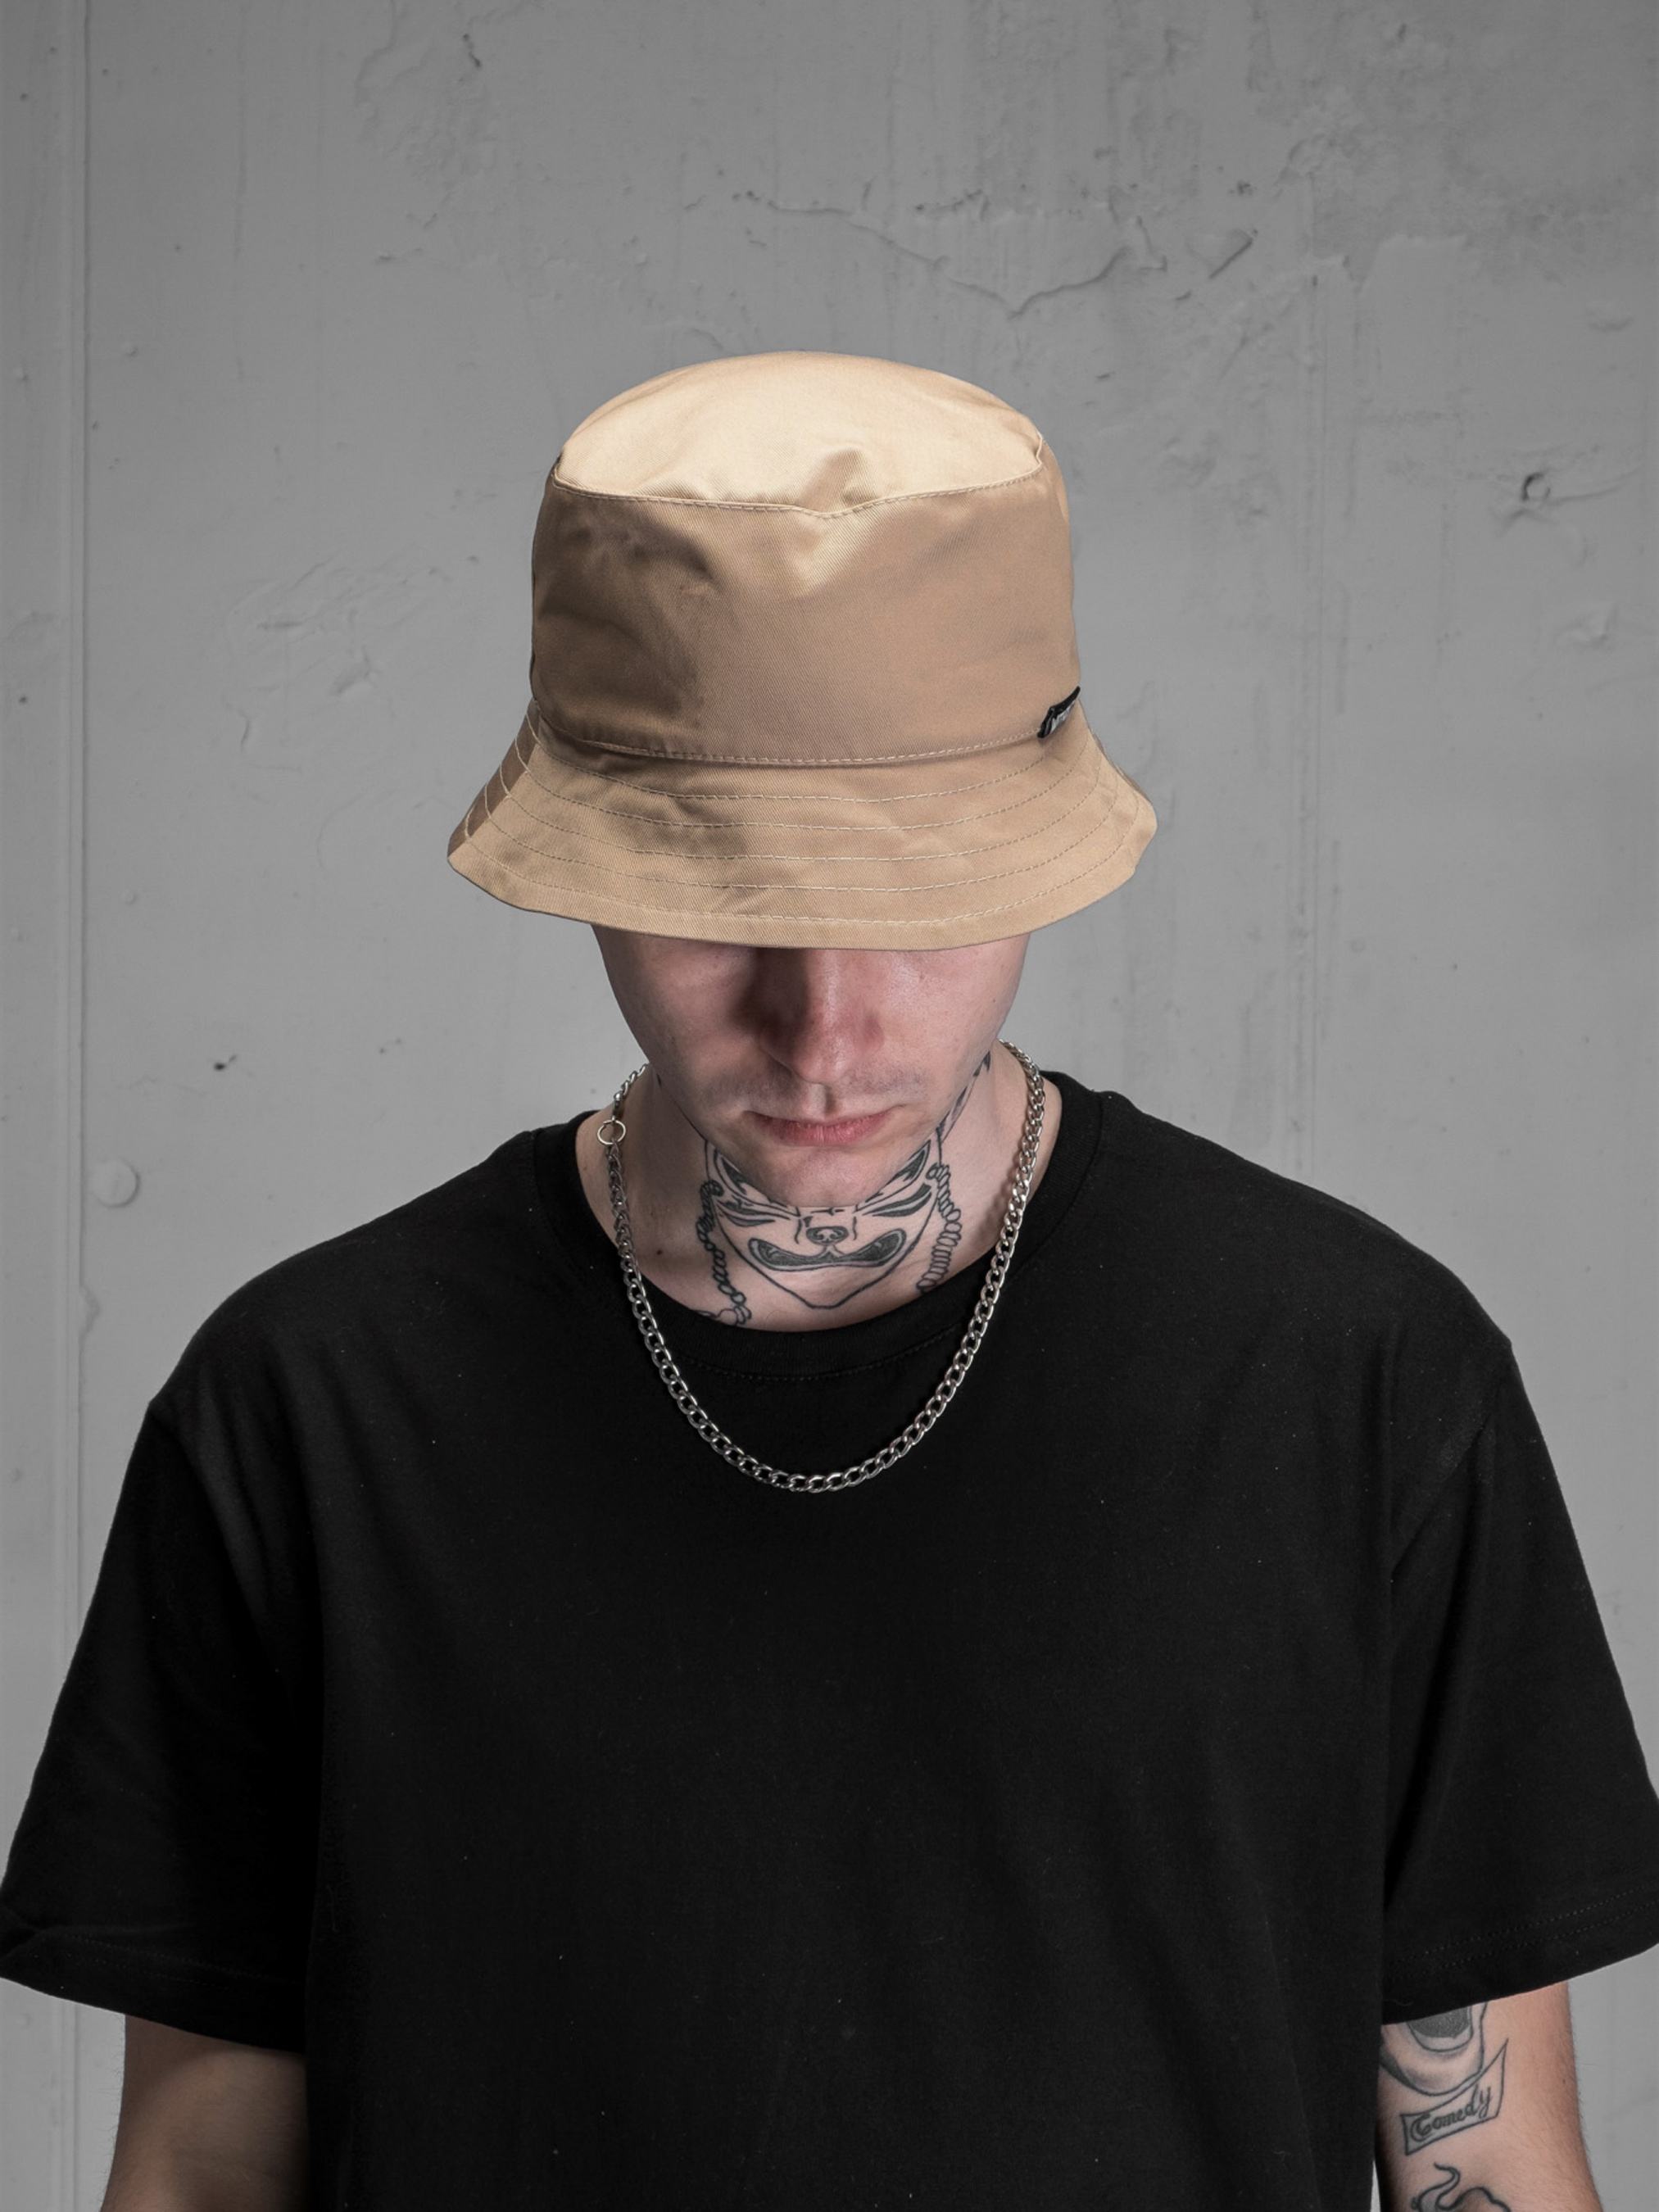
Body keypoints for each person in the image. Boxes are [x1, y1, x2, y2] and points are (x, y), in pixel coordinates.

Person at [3, 352, 1657, 2212]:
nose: (826, 1028)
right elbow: (203, 2165)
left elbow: (1482, 2157)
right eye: (722, 903)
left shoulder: (1355, 1383)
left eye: (917, 900)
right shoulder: (310, 1410)